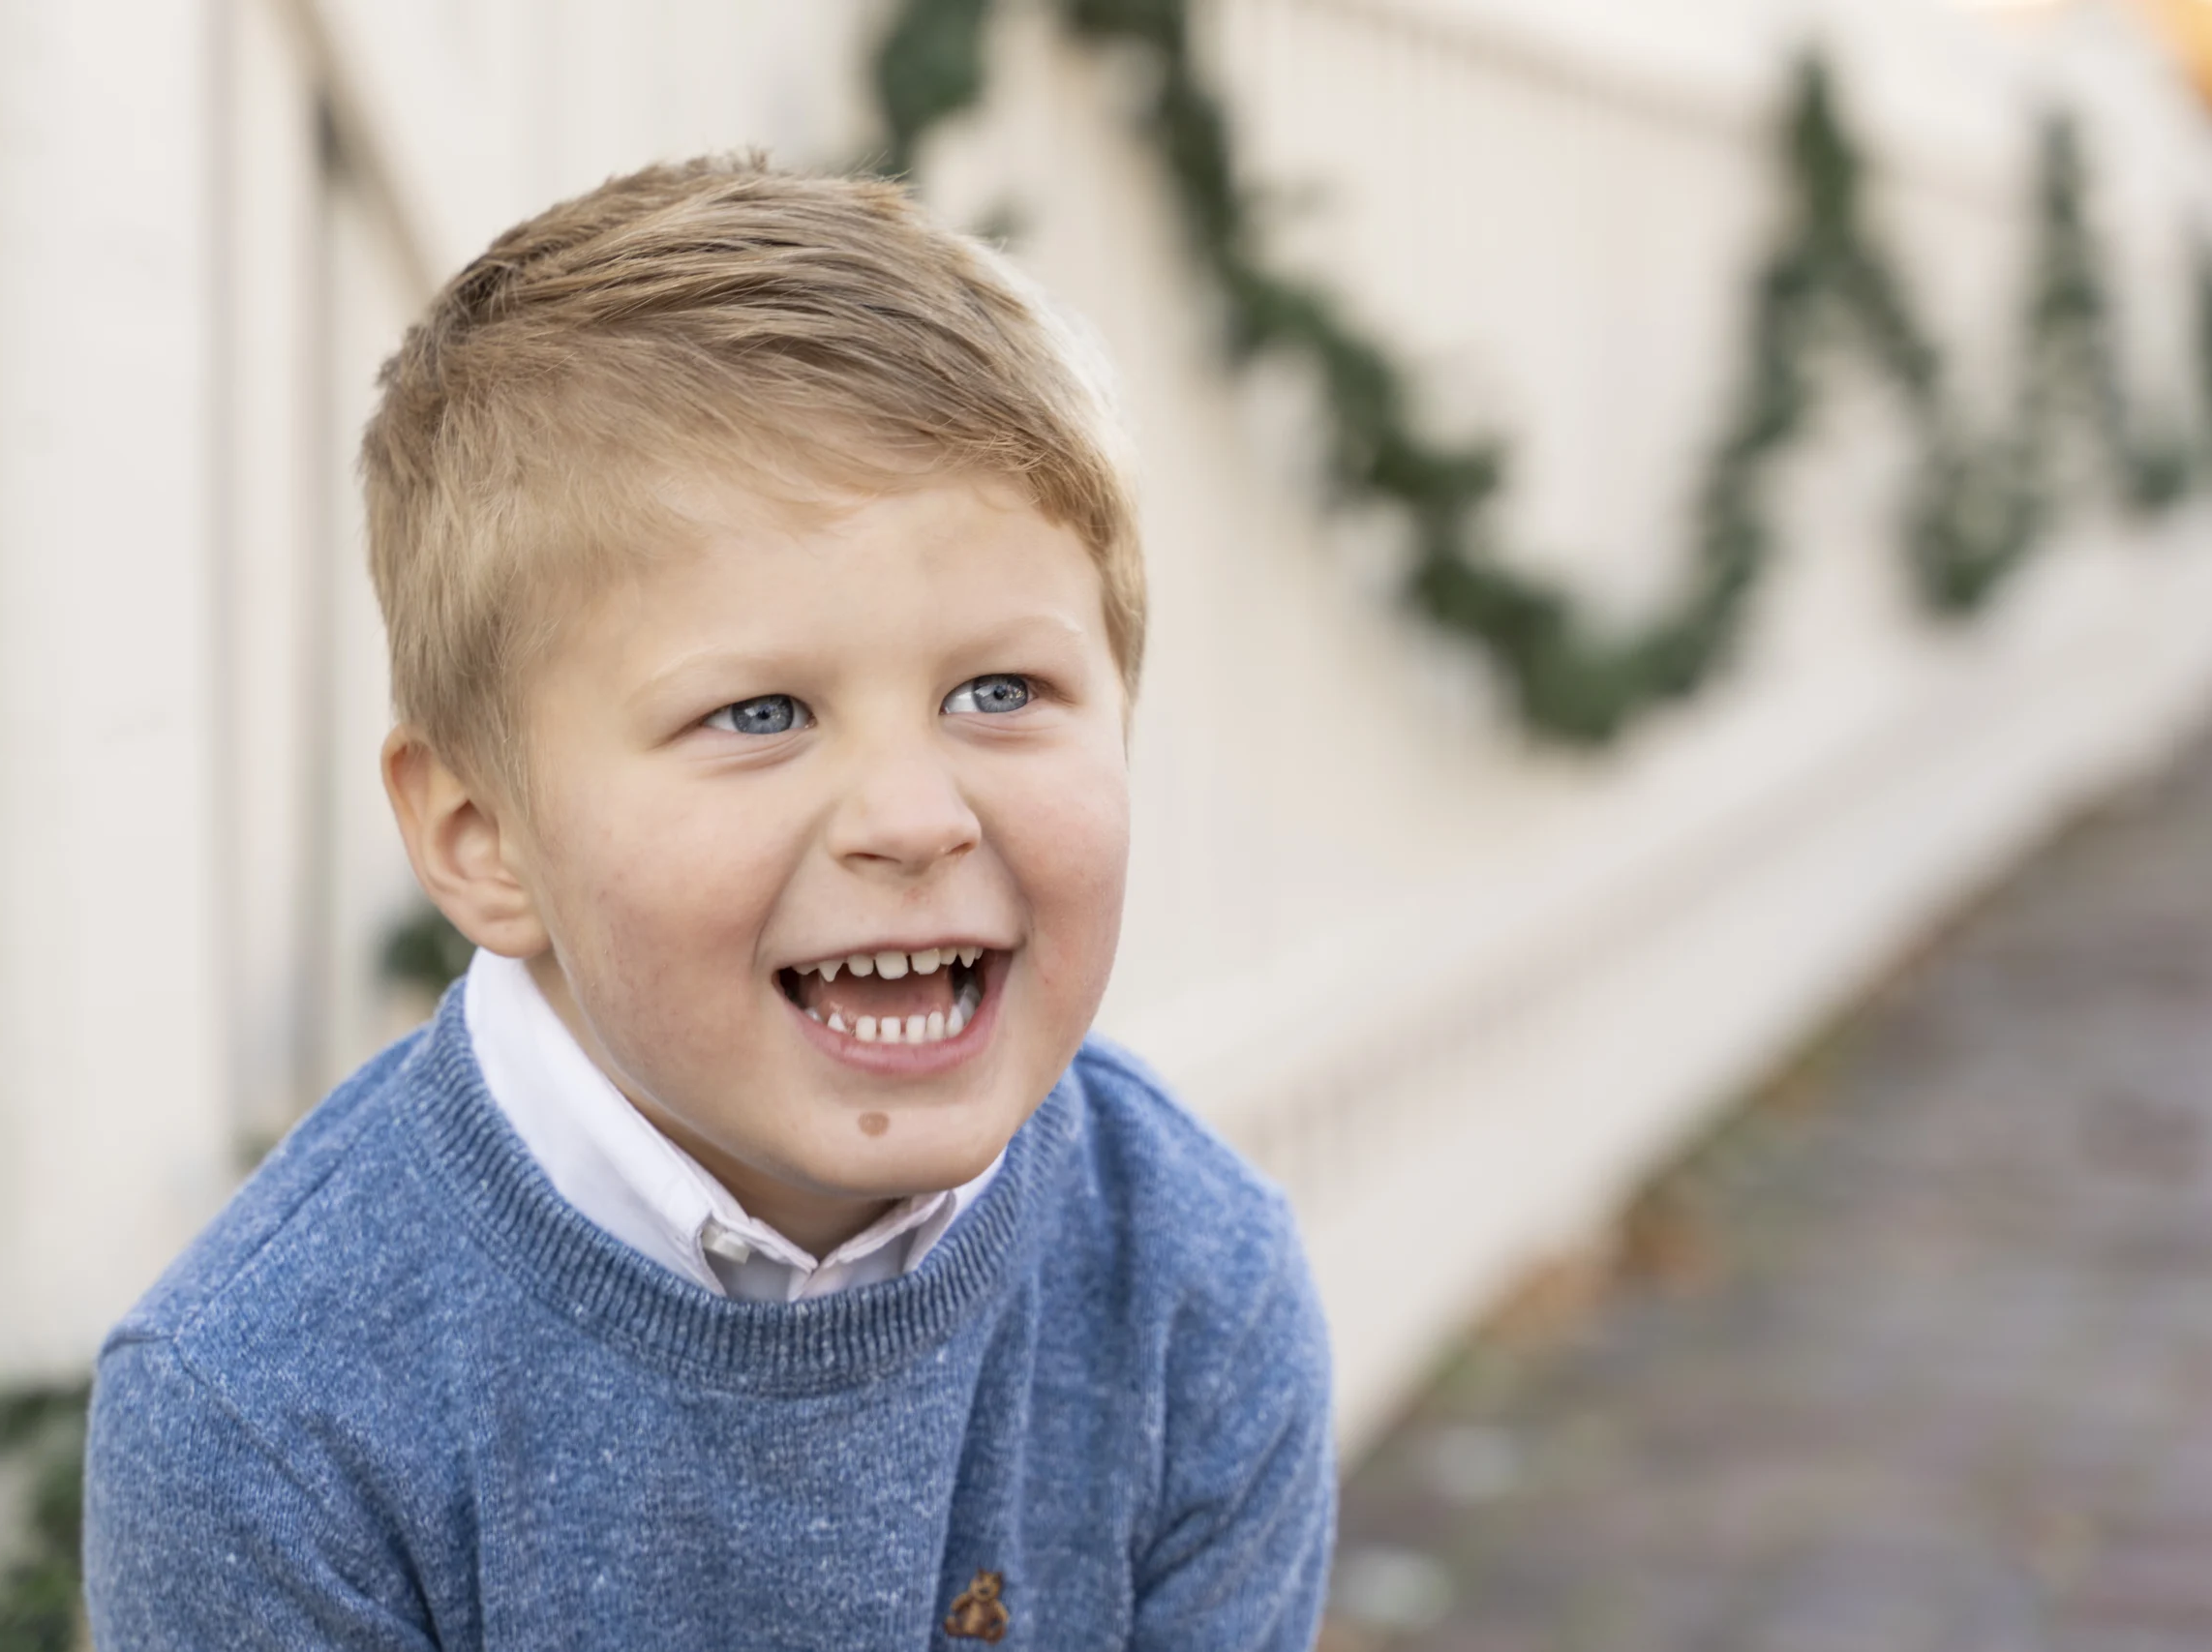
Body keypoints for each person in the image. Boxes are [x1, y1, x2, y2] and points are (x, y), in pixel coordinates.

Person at [81, 157, 1333, 1650]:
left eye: (1000, 690)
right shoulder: (261, 1427)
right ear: (484, 839)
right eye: (759, 714)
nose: (914, 816)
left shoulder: (1195, 1286)